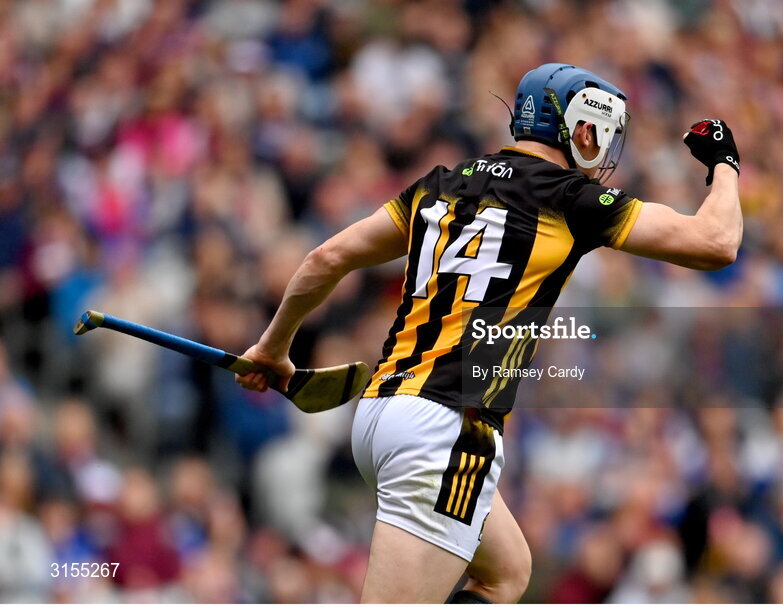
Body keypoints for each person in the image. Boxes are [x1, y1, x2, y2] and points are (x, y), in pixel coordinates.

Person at [235, 62, 742, 603]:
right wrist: (724, 163)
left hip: (381, 415)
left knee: (506, 572)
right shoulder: (572, 199)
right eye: (603, 134)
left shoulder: (441, 186)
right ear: (581, 129)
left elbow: (326, 256)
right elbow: (717, 243)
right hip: (446, 428)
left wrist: (273, 347)